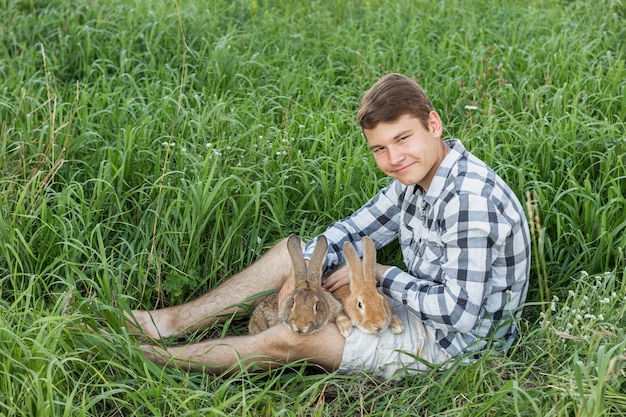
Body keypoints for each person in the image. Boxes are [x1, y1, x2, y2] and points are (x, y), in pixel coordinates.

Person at [127, 73, 531, 379]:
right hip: (421, 308)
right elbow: (352, 229)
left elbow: (458, 312)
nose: (393, 158)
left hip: (456, 346)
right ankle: (169, 323)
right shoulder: (415, 178)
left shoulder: (468, 202)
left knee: (293, 338)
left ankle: (151, 357)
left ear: (434, 125)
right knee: (289, 257)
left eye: (403, 138)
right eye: (380, 148)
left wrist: (380, 275)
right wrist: (306, 276)